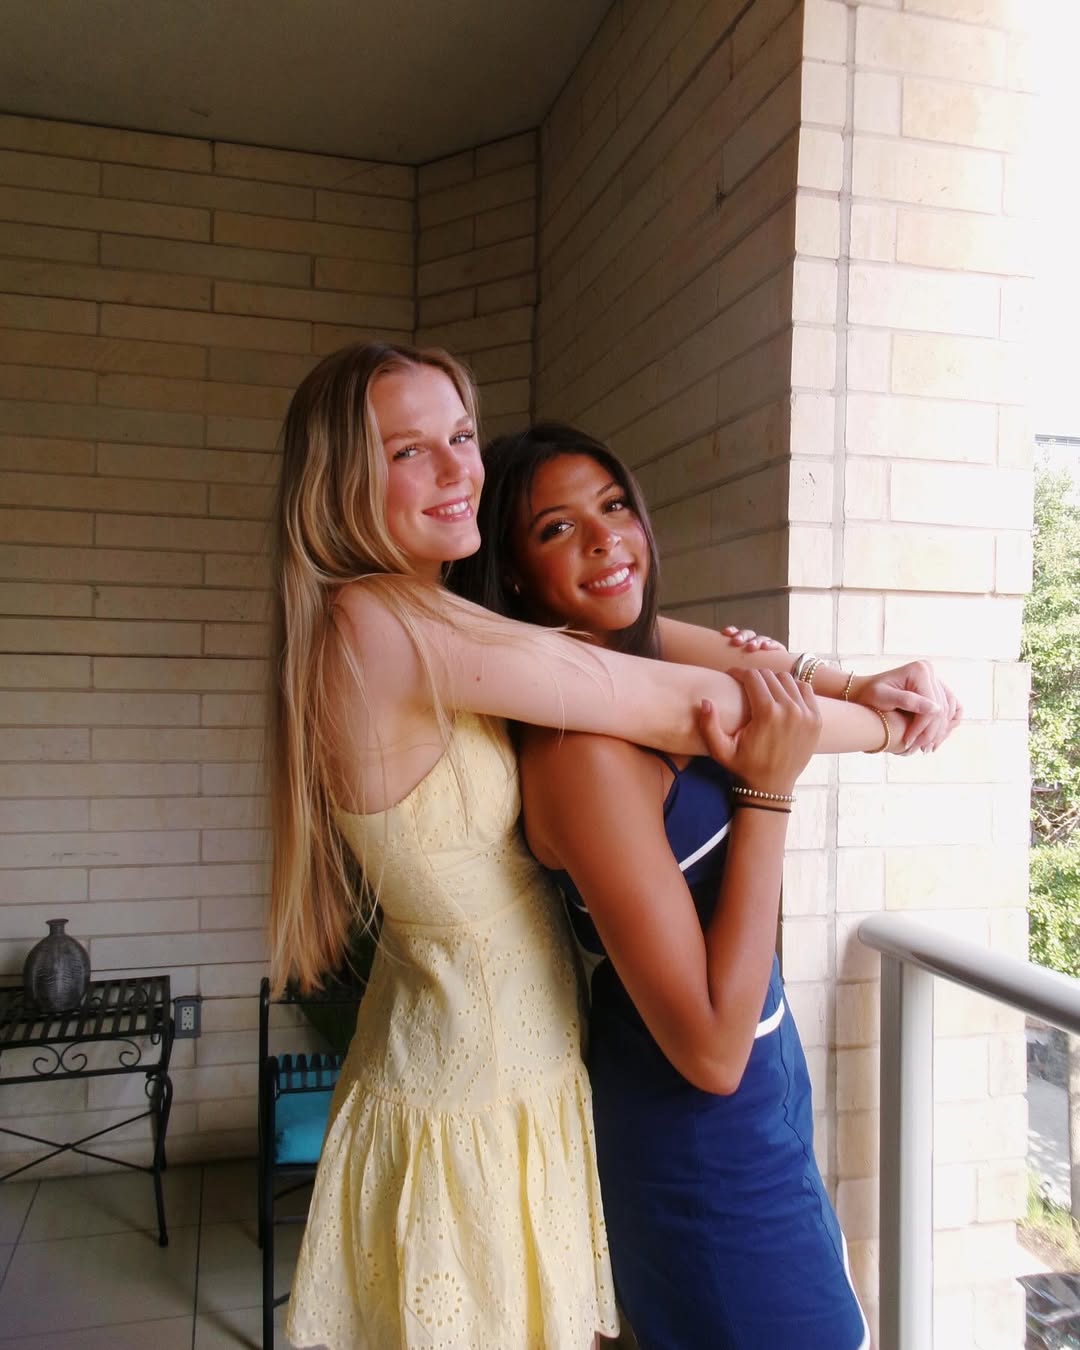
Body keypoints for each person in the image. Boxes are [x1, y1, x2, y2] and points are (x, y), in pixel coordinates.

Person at [268, 342, 933, 1350]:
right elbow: (674, 697)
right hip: (471, 1098)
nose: (455, 468)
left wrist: (839, 679)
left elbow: (648, 639)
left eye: (460, 435)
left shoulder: (439, 620)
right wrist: (884, 728)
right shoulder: (376, 622)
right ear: (339, 481)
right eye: (408, 451)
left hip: (527, 1078)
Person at [451, 421, 951, 1348]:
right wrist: (767, 791)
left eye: (614, 506)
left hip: (762, 1107)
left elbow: (735, 664)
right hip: (702, 1145)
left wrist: (857, 686)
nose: (605, 540)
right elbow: (712, 1052)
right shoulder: (580, 753)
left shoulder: (633, 663)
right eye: (557, 528)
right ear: (512, 574)